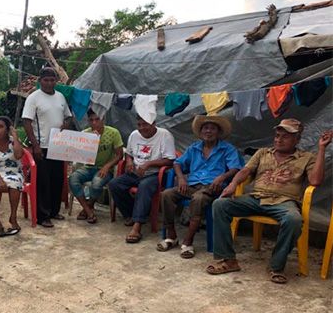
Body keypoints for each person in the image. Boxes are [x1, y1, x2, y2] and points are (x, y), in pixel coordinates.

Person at [206, 119, 332, 284]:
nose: (278, 139)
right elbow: (246, 171)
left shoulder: (307, 157)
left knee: (294, 220)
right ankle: (228, 260)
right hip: (256, 198)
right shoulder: (262, 153)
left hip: (284, 202)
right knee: (220, 204)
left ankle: (276, 266)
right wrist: (233, 184)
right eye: (277, 135)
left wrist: (322, 149)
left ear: (297, 139)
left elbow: (315, 181)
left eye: (285, 137)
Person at [158, 115, 243, 258]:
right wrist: (181, 178)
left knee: (198, 199)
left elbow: (236, 168)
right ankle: (172, 236)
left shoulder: (227, 149)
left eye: (212, 128)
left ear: (218, 132)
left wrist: (222, 177)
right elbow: (177, 163)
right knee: (166, 194)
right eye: (205, 128)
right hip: (192, 185)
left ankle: (188, 241)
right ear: (201, 131)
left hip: (213, 187)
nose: (208, 131)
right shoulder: (194, 148)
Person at [108, 106, 176, 243]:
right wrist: (128, 161)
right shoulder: (134, 134)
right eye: (139, 124)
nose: (142, 128)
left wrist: (148, 164)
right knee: (114, 184)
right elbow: (129, 153)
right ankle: (131, 215)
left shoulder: (164, 135)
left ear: (154, 123)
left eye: (145, 124)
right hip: (135, 173)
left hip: (155, 175)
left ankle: (137, 227)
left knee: (144, 186)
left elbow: (170, 160)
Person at [22, 67, 72, 228]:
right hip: (41, 146)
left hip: (58, 145)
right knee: (43, 181)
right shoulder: (33, 98)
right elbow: (26, 122)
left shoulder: (61, 96)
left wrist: (66, 125)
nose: (49, 83)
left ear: (56, 81)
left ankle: (54, 211)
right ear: (40, 81)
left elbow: (68, 117)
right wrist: (35, 145)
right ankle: (42, 216)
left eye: (52, 80)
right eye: (46, 80)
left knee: (57, 179)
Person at [69, 109, 123, 224]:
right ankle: (89, 210)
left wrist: (107, 166)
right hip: (89, 167)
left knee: (97, 183)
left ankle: (88, 206)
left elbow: (119, 155)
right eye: (91, 120)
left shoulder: (113, 133)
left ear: (103, 119)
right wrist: (92, 142)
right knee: (73, 178)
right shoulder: (85, 133)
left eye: (97, 119)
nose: (94, 123)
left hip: (105, 169)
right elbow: (79, 155)